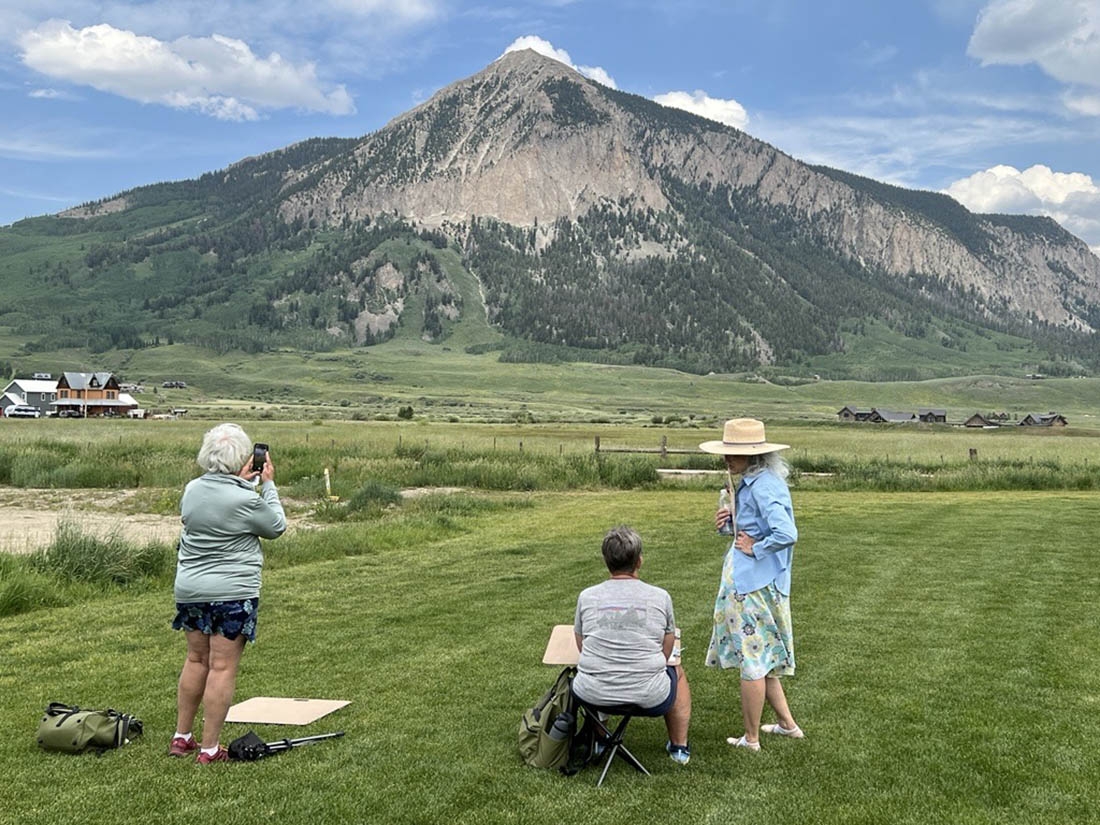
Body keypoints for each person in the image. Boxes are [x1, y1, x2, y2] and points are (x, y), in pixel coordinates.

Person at [169, 423, 287, 763]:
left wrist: (240, 481)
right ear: (244, 459)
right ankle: (209, 748)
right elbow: (276, 526)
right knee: (222, 667)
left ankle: (182, 737)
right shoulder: (246, 498)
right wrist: (268, 485)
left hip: (190, 589)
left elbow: (217, 501)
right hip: (233, 591)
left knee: (195, 660)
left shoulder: (192, 489)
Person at [700, 418, 803, 751]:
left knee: (753, 660)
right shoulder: (753, 482)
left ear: (754, 455)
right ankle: (787, 725)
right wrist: (727, 526)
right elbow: (750, 529)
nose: (728, 459)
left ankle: (752, 737)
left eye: (736, 453)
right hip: (755, 581)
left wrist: (754, 548)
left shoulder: (762, 486)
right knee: (764, 656)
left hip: (752, 586)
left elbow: (786, 534)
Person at [572, 526, 692, 765]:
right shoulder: (660, 596)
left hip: (592, 693)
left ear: (606, 561)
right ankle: (679, 747)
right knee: (676, 672)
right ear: (639, 561)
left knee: (595, 669)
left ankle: (602, 739)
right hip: (650, 695)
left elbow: (581, 644)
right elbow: (666, 648)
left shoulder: (587, 596)